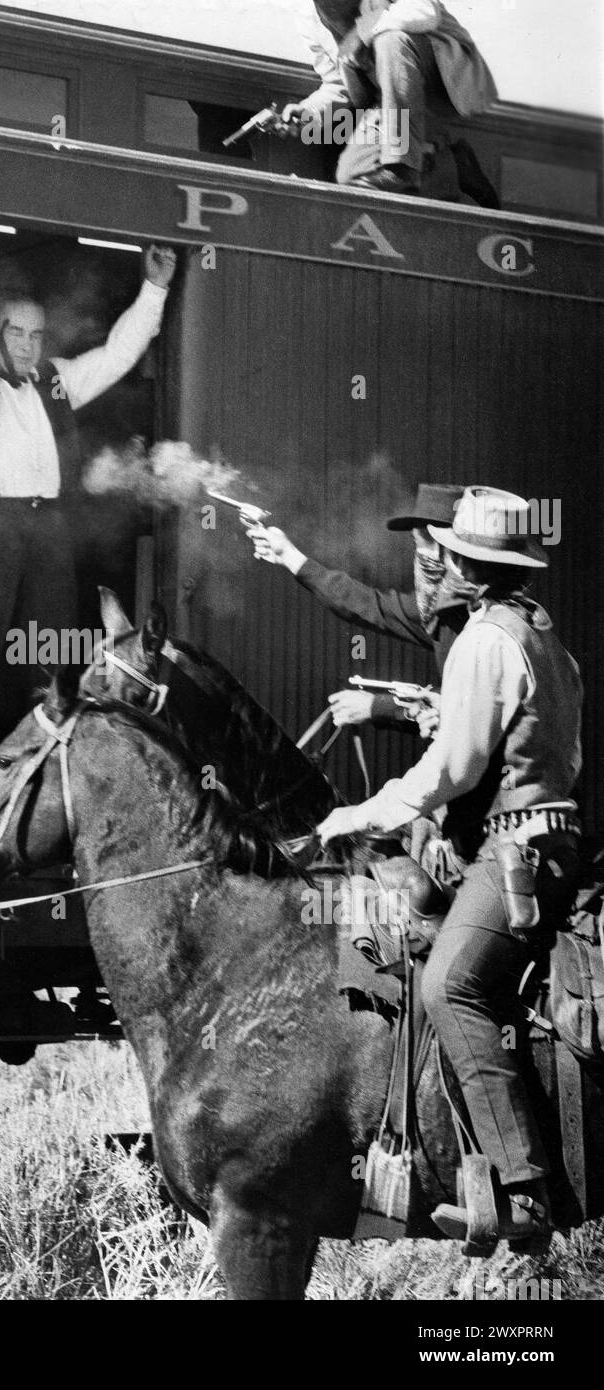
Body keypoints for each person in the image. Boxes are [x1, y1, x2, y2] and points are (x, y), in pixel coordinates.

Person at [317, 487, 583, 1246]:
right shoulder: (544, 639)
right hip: (549, 839)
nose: (439, 566)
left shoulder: (484, 642)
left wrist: (361, 814)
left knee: (448, 984)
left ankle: (522, 1192)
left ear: (469, 564)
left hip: (515, 852)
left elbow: (453, 770)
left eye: (451, 556)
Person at [0, 211, 176, 823]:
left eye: (37, 335)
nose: (29, 345)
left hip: (48, 533)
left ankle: (45, 819)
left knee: (50, 671)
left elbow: (120, 353)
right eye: (18, 333)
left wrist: (154, 289)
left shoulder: (59, 382)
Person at [251, 482, 471, 737]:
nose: (420, 557)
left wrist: (380, 707)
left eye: (423, 545)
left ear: (452, 554)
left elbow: (474, 714)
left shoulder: (485, 622)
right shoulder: (444, 612)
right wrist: (289, 556)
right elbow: (368, 605)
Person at [282, 0, 498, 197]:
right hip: (392, 101)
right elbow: (338, 84)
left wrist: (361, 34)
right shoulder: (308, 15)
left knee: (391, 39)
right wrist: (308, 112)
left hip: (444, 82)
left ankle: (402, 166)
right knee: (351, 177)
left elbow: (424, 12)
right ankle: (452, 161)